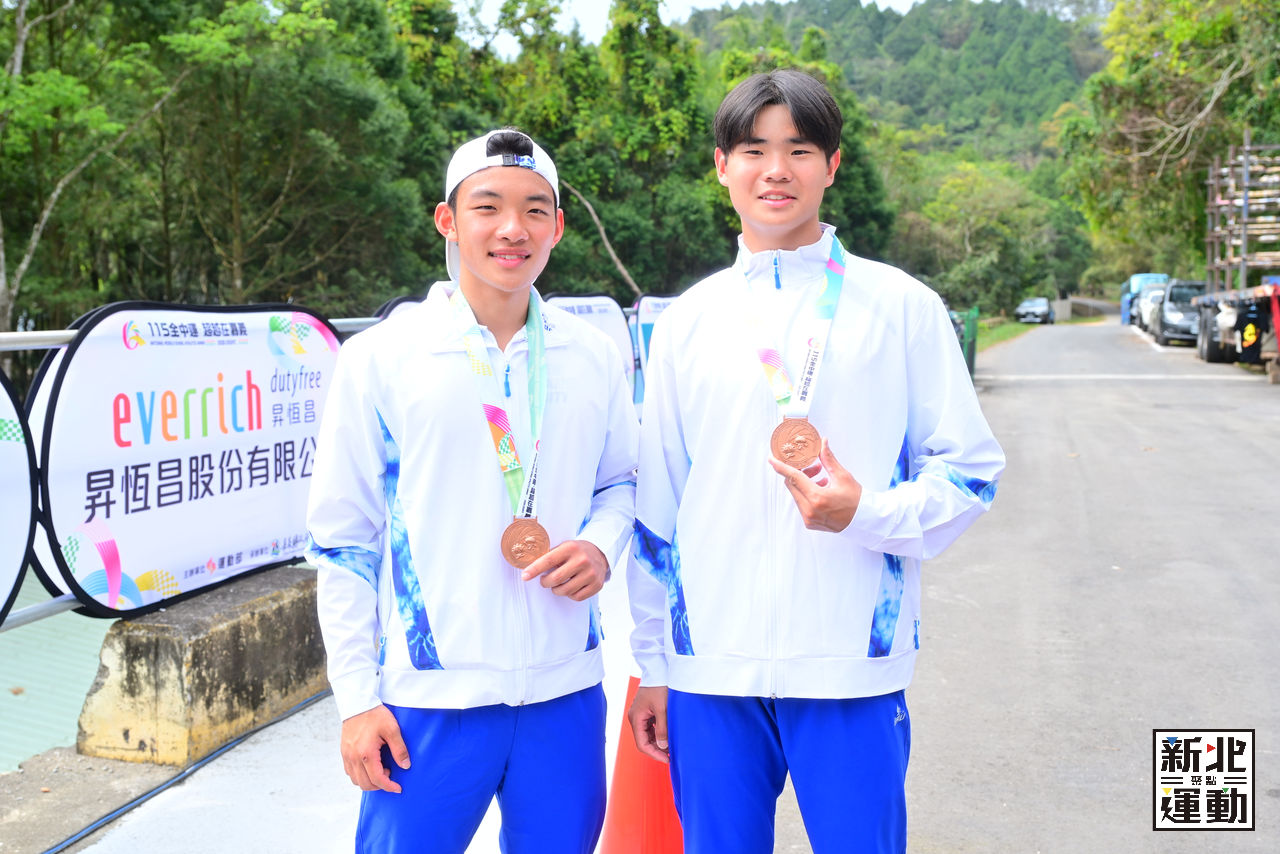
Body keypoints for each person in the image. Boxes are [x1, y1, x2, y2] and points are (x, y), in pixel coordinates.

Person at [626, 69, 1006, 853]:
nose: (776, 170)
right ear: (722, 166)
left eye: (799, 150)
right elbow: (657, 507)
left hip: (851, 665)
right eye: (754, 150)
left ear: (832, 165)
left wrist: (868, 513)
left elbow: (970, 472)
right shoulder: (687, 322)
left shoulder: (901, 307)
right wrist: (655, 664)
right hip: (709, 670)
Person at [307, 128, 639, 853]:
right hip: (428, 699)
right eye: (487, 207)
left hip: (564, 693)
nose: (512, 229)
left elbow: (622, 481)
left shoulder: (592, 354)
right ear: (447, 221)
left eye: (534, 209)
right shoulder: (382, 358)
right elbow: (344, 539)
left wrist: (601, 545)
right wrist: (356, 700)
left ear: (558, 226)